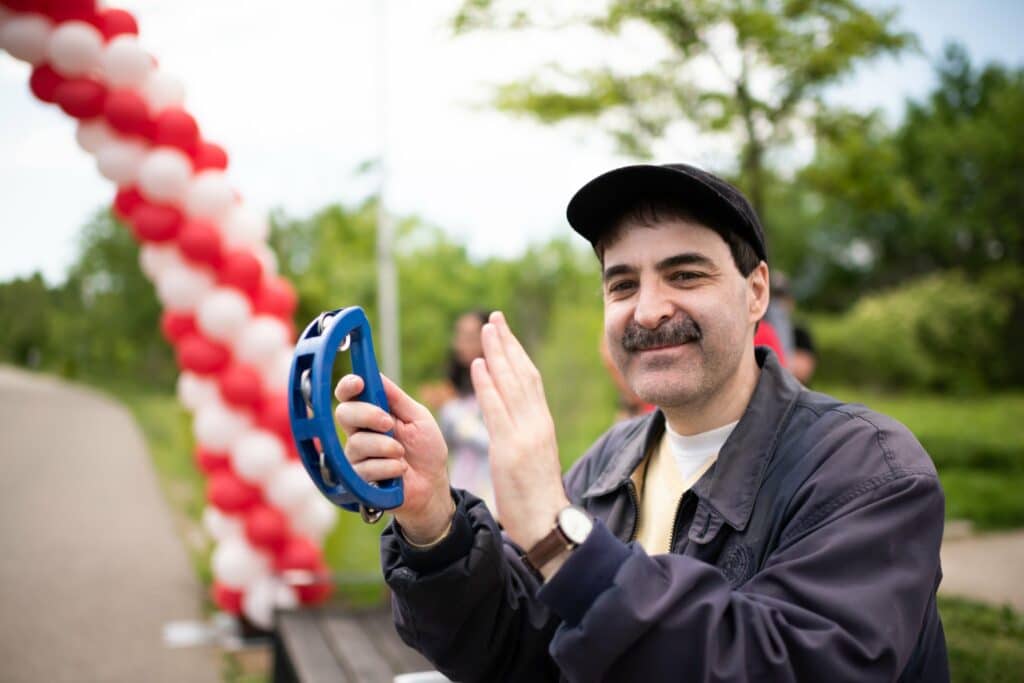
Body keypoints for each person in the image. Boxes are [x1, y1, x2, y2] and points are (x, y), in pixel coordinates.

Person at [333, 163, 948, 682]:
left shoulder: (869, 470)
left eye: (685, 274)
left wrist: (561, 540)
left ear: (755, 291)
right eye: (622, 284)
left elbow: (780, 664)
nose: (649, 311)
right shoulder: (610, 460)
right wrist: (433, 521)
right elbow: (519, 651)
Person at [437, 310, 495, 510]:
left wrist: (453, 413)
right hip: (460, 496)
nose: (461, 343)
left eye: (469, 337)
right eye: (459, 335)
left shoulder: (499, 389)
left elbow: (493, 442)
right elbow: (445, 447)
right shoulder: (456, 391)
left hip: (493, 500)